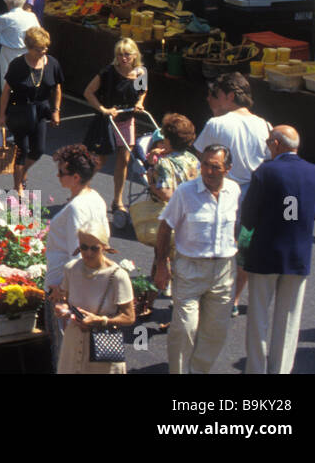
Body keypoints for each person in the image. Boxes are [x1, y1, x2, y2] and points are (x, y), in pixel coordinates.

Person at [241, 125, 315, 374]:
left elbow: (248, 217)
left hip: (265, 253)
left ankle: (256, 369)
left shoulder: (265, 172)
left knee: (258, 318)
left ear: (276, 144)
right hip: (298, 255)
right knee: (289, 319)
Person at [154, 145, 240, 374]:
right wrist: (161, 265)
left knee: (215, 332)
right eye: (204, 164)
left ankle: (198, 371)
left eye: (215, 167)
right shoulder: (185, 192)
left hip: (223, 270)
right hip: (190, 269)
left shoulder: (234, 191)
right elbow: (164, 228)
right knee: (185, 329)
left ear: (228, 169)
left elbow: (237, 225)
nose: (208, 171)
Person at [193, 71, 271, 314]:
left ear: (229, 95)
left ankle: (211, 295)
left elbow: (201, 160)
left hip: (223, 194)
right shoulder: (265, 125)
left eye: (215, 95)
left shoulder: (216, 124)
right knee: (243, 249)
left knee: (214, 246)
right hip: (256, 196)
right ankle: (233, 300)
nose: (210, 100)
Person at [43, 146, 109, 366]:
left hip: (68, 288)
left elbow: (77, 254)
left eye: (62, 172)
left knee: (67, 351)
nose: (57, 175)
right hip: (90, 284)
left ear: (76, 177)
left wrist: (61, 291)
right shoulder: (96, 198)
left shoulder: (76, 209)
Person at [51, 223, 135, 374]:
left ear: (104, 247)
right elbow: (65, 300)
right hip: (73, 341)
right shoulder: (71, 269)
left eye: (94, 248)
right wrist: (61, 307)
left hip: (103, 345)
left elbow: (129, 317)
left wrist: (101, 320)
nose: (88, 253)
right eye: (84, 247)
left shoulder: (117, 276)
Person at [84, 38, 148, 221]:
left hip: (127, 119)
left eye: (127, 54)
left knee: (124, 161)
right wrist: (103, 109)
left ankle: (117, 200)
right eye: (120, 54)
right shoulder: (108, 72)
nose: (123, 58)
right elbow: (88, 92)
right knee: (100, 160)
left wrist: (139, 103)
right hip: (109, 120)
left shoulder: (140, 73)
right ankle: (81, 188)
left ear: (135, 55)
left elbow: (142, 92)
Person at [0, 26, 63, 193]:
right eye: (39, 49)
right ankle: (17, 186)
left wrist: (56, 110)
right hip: (19, 109)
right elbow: (6, 92)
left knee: (39, 149)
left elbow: (57, 89)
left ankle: (23, 171)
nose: (44, 51)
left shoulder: (52, 63)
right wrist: (1, 116)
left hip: (41, 109)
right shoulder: (18, 65)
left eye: (45, 47)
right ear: (29, 47)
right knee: (22, 149)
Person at [0, 0, 38, 89]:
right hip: (27, 51)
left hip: (9, 53)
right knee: (26, 79)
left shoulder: (5, 18)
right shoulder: (32, 16)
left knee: (8, 82)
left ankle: (8, 102)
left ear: (8, 3)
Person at [145, 113, 201, 203]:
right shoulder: (192, 157)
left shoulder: (164, 162)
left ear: (168, 139)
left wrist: (151, 182)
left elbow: (166, 194)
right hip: (194, 204)